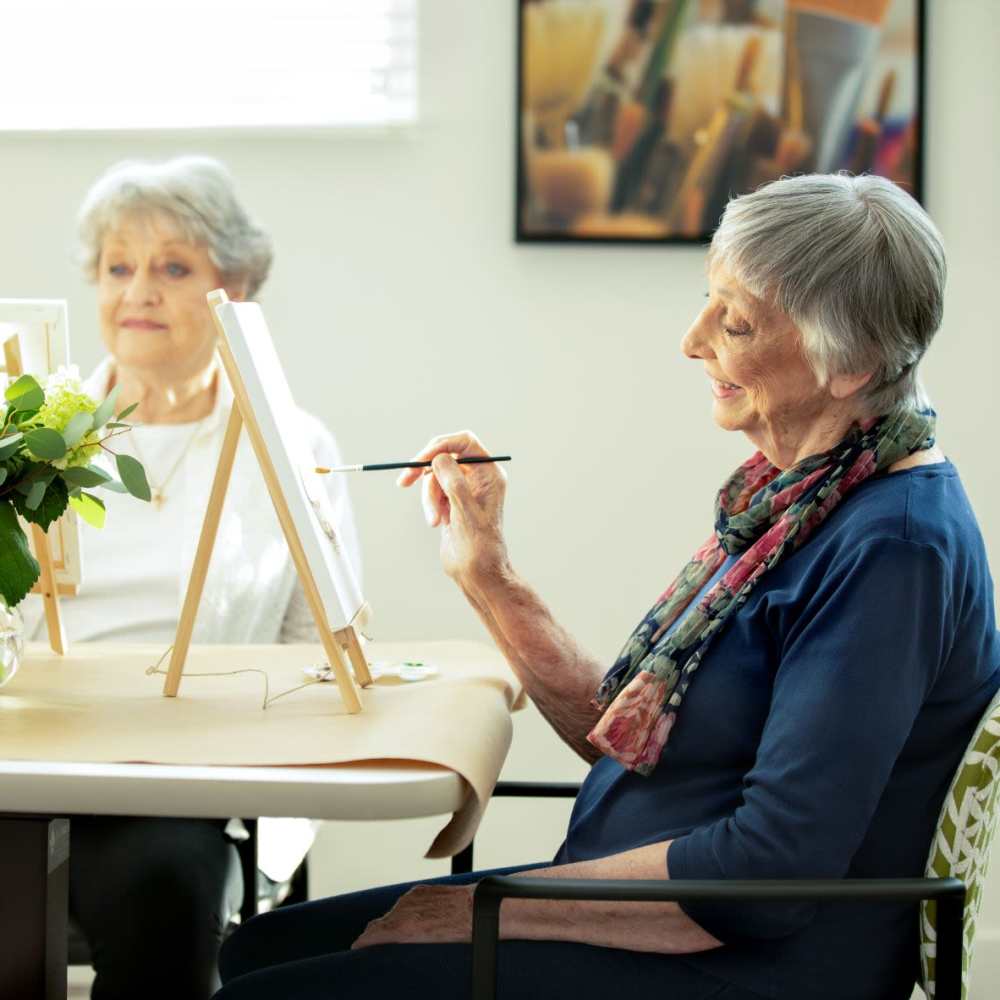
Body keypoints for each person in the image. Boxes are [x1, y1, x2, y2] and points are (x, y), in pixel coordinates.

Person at [215, 174, 1000, 1000]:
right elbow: (631, 737)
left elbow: (770, 875)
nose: (693, 341)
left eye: (733, 321)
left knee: (263, 990)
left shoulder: (892, 548)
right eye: (709, 301)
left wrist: (494, 911)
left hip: (755, 961)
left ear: (853, 365)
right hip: (668, 916)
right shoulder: (796, 501)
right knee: (260, 949)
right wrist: (487, 574)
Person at [21, 156, 362, 1000]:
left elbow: (318, 647)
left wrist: (273, 820)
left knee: (167, 889)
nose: (140, 290)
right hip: (27, 762)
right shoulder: (25, 430)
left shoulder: (292, 444)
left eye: (174, 267)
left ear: (233, 290)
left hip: (180, 783)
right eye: (118, 267)